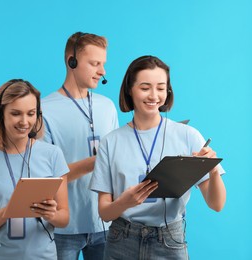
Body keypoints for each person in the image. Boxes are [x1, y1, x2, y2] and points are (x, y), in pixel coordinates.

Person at [89, 55, 226, 259]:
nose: (154, 96)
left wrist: (212, 169)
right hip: (121, 240)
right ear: (129, 89)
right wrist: (125, 202)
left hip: (169, 240)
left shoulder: (188, 135)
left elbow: (217, 205)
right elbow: (105, 213)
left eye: (161, 88)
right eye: (145, 88)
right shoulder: (111, 142)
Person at [0, 79, 69, 259]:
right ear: (0, 114)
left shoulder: (53, 155)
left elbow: (64, 218)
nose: (24, 121)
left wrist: (51, 214)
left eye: (31, 113)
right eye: (15, 113)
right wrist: (9, 211)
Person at [41, 32, 119, 259]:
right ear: (71, 61)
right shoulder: (44, 110)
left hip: (106, 223)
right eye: (95, 63)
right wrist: (94, 163)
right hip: (64, 228)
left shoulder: (107, 107)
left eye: (103, 64)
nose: (102, 71)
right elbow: (45, 178)